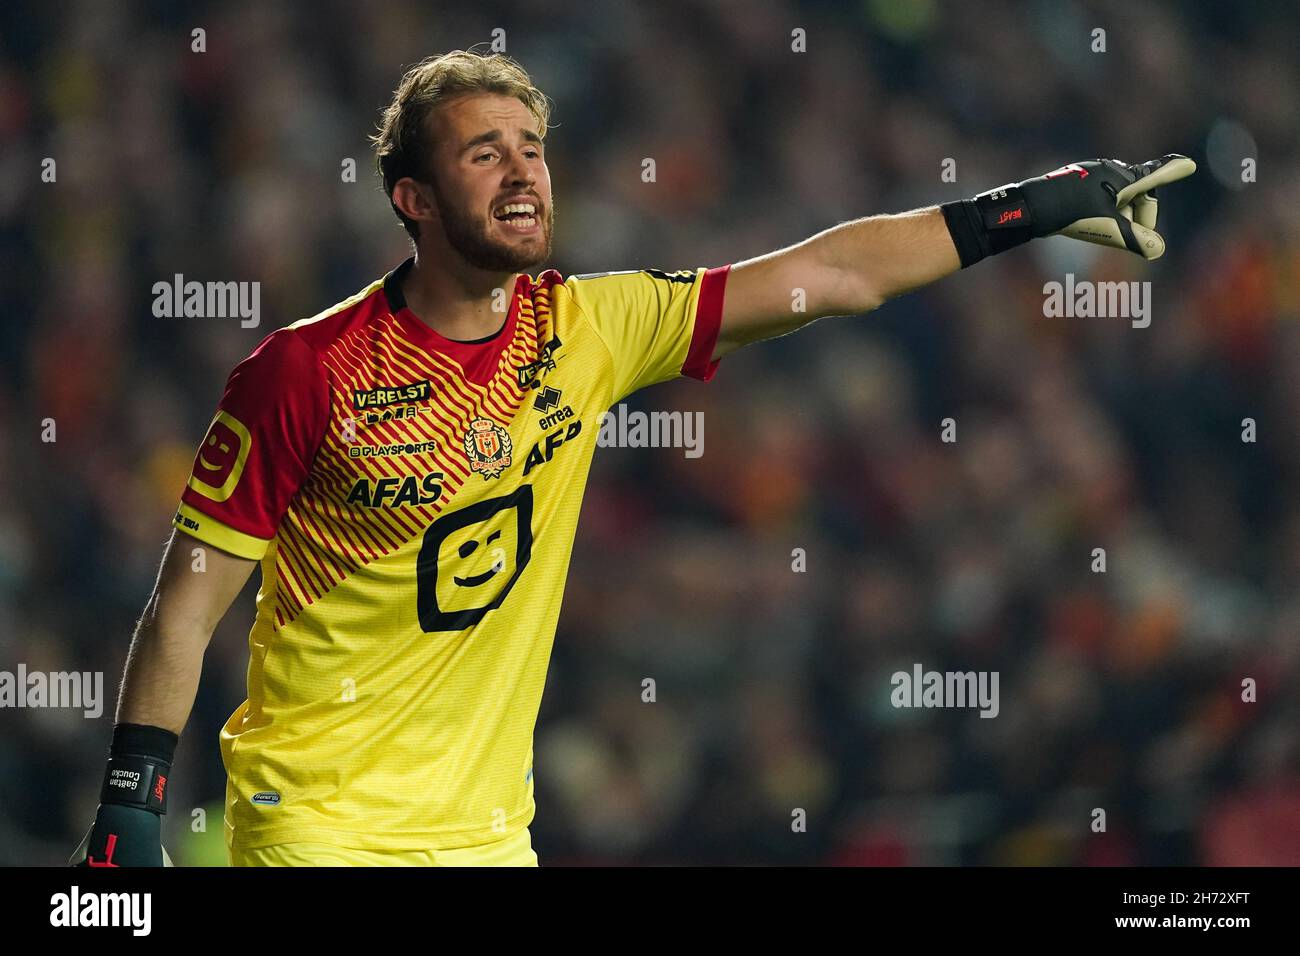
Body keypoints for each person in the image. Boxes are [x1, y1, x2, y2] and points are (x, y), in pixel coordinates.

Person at [71, 48, 1194, 867]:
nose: (523, 174)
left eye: (532, 150)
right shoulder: (302, 371)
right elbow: (185, 604)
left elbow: (837, 273)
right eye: (482, 154)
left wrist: (1034, 207)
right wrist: (133, 798)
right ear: (412, 200)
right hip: (318, 827)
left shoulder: (588, 329)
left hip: (489, 836)